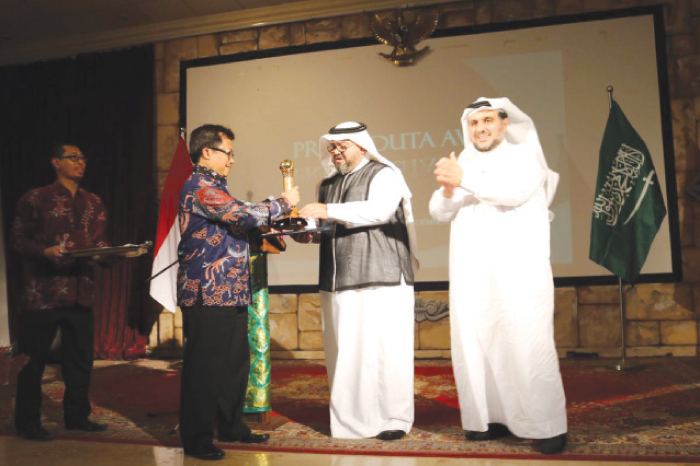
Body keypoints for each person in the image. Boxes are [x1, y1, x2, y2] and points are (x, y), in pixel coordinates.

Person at [428, 98, 567, 454]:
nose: (480, 129)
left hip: (517, 274)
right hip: (471, 274)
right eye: (474, 123)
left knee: (526, 345)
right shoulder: (466, 161)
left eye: (488, 120)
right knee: (476, 345)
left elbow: (514, 192)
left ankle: (546, 426)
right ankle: (486, 419)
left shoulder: (525, 156)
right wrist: (447, 190)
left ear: (505, 124)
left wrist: (463, 180)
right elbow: (439, 211)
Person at [176, 124, 299, 461]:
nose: (231, 159)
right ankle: (197, 439)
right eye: (227, 152)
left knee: (233, 364)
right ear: (207, 152)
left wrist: (271, 224)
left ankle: (231, 426)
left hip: (230, 290)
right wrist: (283, 203)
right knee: (205, 368)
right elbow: (243, 215)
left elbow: (240, 221)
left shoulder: (218, 188)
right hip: (206, 291)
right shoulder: (200, 186)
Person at [296, 121, 419, 440]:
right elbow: (323, 227)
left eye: (342, 146)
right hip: (338, 281)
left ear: (362, 146)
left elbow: (378, 211)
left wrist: (326, 210)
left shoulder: (384, 174)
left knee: (385, 350)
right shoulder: (326, 184)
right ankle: (351, 421)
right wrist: (302, 232)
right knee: (345, 353)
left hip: (383, 278)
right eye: (331, 148)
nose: (335, 152)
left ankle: (393, 418)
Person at [11, 143, 110, 441]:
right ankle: (28, 423)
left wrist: (111, 254)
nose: (80, 162)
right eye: (73, 158)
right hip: (44, 293)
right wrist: (44, 251)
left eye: (83, 157)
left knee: (80, 361)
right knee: (33, 360)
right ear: (55, 162)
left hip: (81, 291)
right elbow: (18, 240)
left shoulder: (94, 202)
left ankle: (77, 417)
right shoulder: (35, 198)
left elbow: (99, 243)